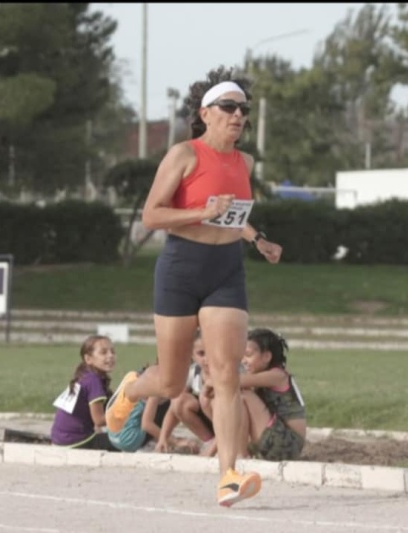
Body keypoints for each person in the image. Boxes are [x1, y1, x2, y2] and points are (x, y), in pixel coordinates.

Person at [105, 66, 283, 508]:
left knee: (226, 375)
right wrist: (200, 212)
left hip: (226, 271)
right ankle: (130, 389)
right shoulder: (184, 154)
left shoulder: (245, 162)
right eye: (229, 107)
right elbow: (152, 215)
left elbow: (233, 215)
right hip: (182, 268)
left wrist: (257, 238)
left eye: (244, 109)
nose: (238, 115)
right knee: (170, 383)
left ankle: (228, 475)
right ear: (206, 112)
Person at [239, 328, 307, 462]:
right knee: (230, 398)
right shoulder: (261, 377)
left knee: (244, 395)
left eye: (248, 355)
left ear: (266, 357)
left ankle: (240, 454)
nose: (243, 361)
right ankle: (237, 449)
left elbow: (235, 381)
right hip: (276, 438)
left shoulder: (277, 376)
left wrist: (212, 379)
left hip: (287, 446)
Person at [50, 335, 119, 451]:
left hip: (59, 440)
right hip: (75, 442)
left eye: (112, 351)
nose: (110, 356)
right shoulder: (93, 381)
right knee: (123, 440)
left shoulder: (85, 375)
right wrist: (124, 413)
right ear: (88, 359)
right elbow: (99, 421)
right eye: (103, 352)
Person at [155, 331, 216, 455]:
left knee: (210, 400)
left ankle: (219, 444)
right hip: (211, 423)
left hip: (231, 424)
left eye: (211, 352)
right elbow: (174, 407)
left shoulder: (228, 371)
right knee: (179, 400)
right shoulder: (193, 372)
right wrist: (163, 438)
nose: (207, 359)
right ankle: (209, 440)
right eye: (201, 354)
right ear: (192, 355)